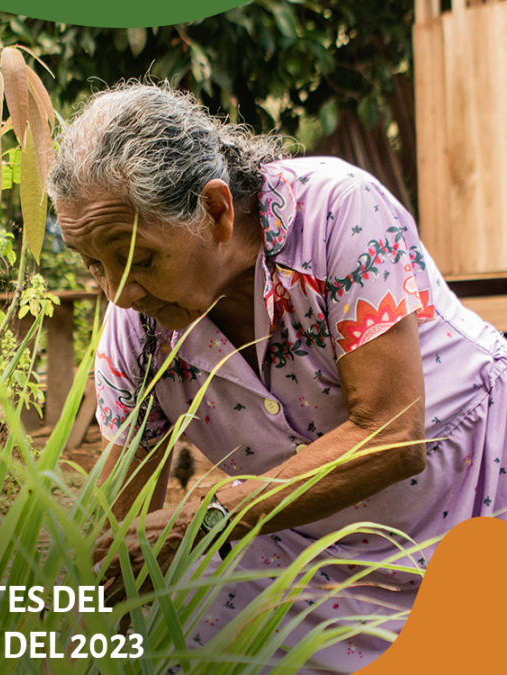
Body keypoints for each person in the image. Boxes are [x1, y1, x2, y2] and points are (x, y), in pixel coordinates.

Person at [47, 82, 507, 670]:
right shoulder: (139, 329)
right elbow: (117, 536)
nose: (120, 293)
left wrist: (209, 517)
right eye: (94, 266)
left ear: (215, 211)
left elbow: (394, 434)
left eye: (138, 257)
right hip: (312, 546)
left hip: (474, 489)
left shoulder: (337, 215)